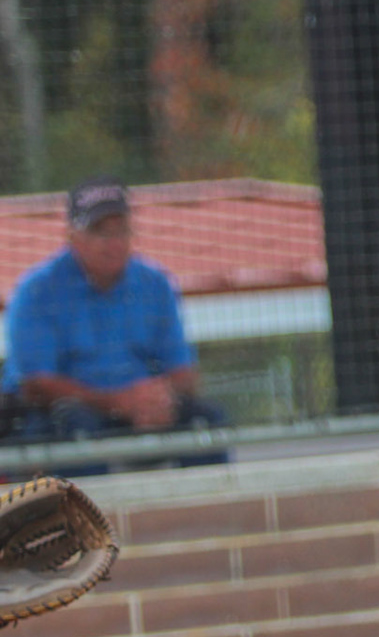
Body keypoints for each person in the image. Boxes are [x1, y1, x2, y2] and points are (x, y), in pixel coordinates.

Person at [2, 178, 228, 474]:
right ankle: (83, 506)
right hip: (71, 414)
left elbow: (183, 371)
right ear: (73, 236)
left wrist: (159, 399)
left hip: (140, 412)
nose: (114, 243)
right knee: (74, 431)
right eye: (100, 232)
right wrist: (116, 402)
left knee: (206, 421)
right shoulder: (36, 291)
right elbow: (36, 385)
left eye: (121, 230)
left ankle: (208, 502)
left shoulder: (155, 283)